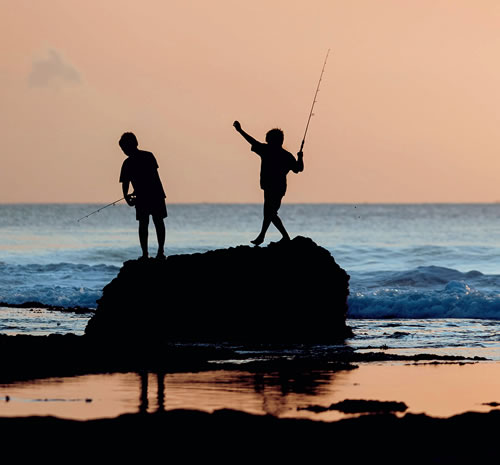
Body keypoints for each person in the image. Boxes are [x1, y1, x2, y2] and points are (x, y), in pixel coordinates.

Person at [233, 120, 304, 245]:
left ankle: (265, 236)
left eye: (268, 138)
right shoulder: (286, 155)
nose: (266, 140)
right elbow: (298, 169)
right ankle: (274, 237)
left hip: (272, 187)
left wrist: (240, 131)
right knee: (270, 213)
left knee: (269, 212)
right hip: (278, 187)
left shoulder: (266, 150)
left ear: (272, 140)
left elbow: (252, 141)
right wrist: (300, 157)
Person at [119, 132, 167, 260]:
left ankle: (154, 253)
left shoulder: (135, 160)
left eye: (124, 148)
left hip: (152, 195)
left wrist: (128, 196)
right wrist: (127, 196)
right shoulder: (146, 156)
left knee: (150, 223)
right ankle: (153, 253)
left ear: (133, 145)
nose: (124, 151)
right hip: (150, 195)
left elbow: (127, 183)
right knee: (151, 223)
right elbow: (126, 182)